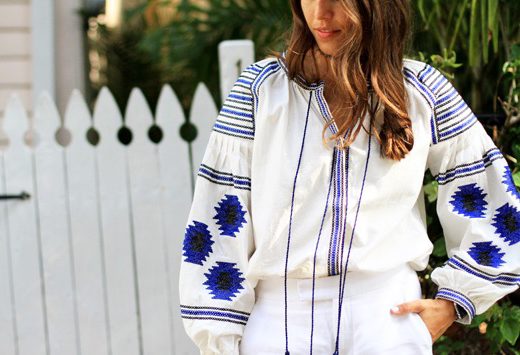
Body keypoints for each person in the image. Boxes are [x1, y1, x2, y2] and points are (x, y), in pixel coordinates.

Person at [178, 0, 520, 353]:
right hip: (280, 323)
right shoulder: (259, 92)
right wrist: (219, 336)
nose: (320, 14)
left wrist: (451, 303)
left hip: (387, 318)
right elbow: (217, 222)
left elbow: (495, 202)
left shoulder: (421, 92)